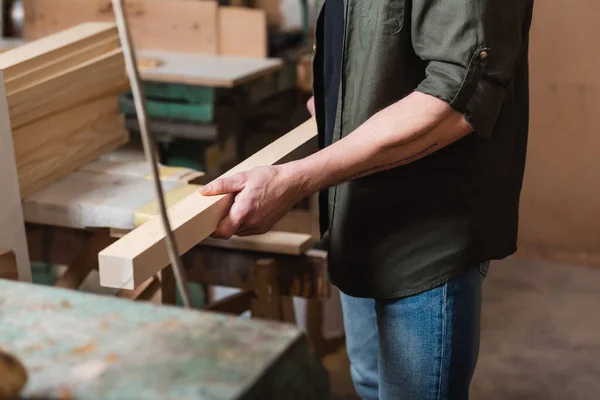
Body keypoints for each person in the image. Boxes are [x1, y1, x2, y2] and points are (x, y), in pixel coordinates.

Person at [200, 1, 534, 398]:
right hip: (356, 208)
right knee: (371, 383)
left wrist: (296, 178)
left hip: (425, 234)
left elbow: (458, 97)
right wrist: (336, 98)